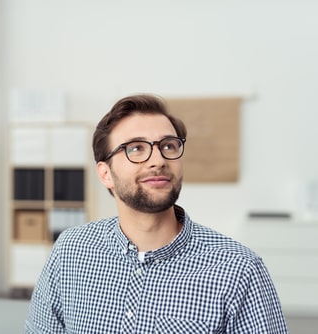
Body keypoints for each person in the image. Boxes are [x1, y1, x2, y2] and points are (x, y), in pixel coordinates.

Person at [25, 93, 288, 333]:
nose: (158, 160)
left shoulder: (239, 269)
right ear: (106, 174)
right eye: (136, 148)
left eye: (169, 146)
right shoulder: (71, 250)